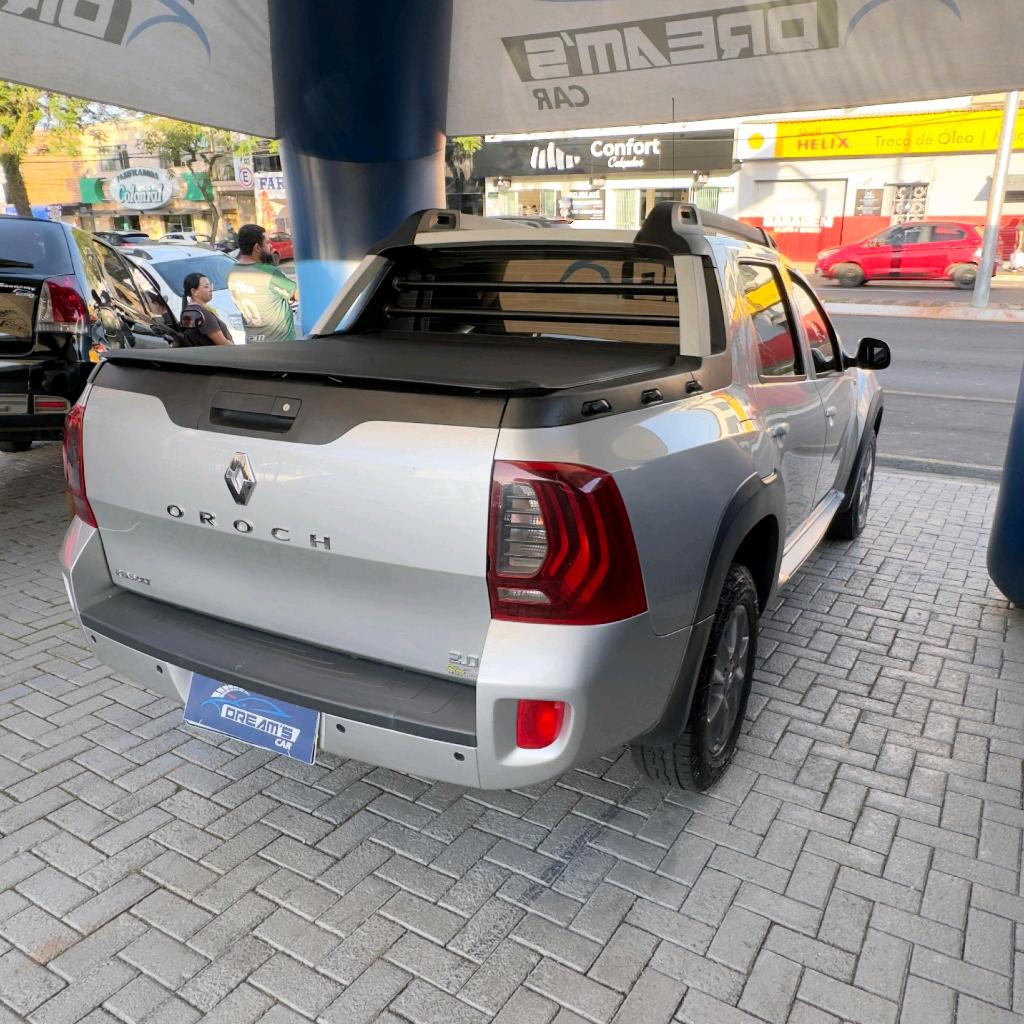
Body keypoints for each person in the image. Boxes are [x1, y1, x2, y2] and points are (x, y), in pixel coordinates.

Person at [226, 223, 299, 343]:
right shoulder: (267, 272)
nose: (270, 246)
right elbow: (297, 294)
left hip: (252, 344)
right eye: (266, 243)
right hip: (279, 345)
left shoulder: (232, 272)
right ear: (257, 247)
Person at [176, 272, 234, 347]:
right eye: (206, 287)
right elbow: (223, 343)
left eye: (210, 286)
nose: (210, 289)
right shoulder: (202, 314)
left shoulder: (191, 310)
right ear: (194, 291)